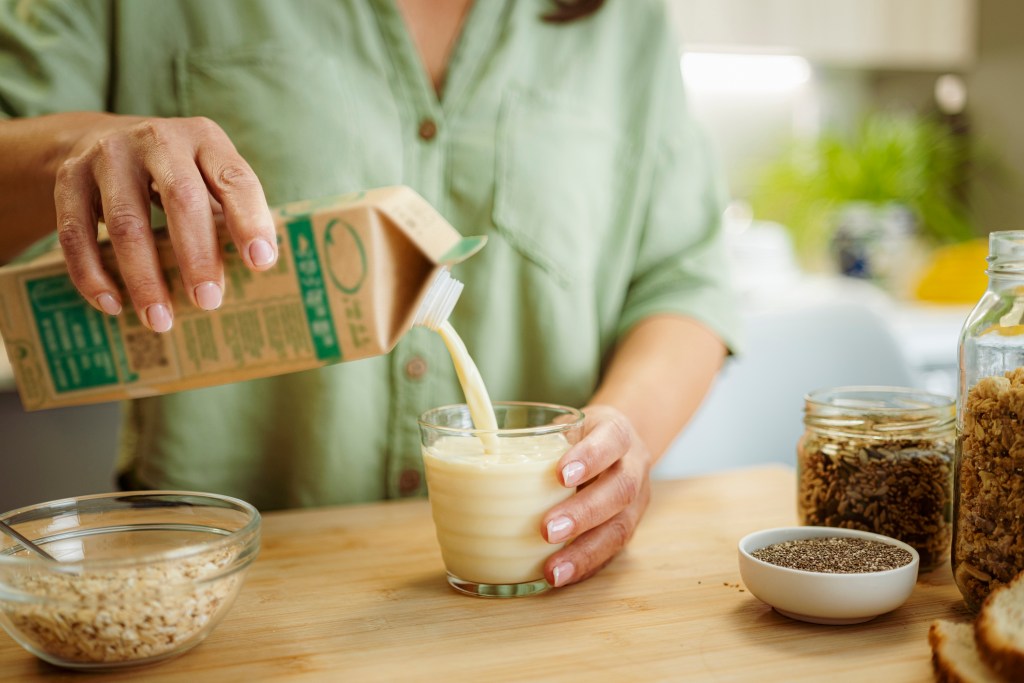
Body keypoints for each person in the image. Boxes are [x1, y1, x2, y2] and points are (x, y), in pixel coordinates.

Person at [0, 0, 737, 589]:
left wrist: (620, 440)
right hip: (218, 584)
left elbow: (683, 277)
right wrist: (75, 152)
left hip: (540, 584)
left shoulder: (624, 22)